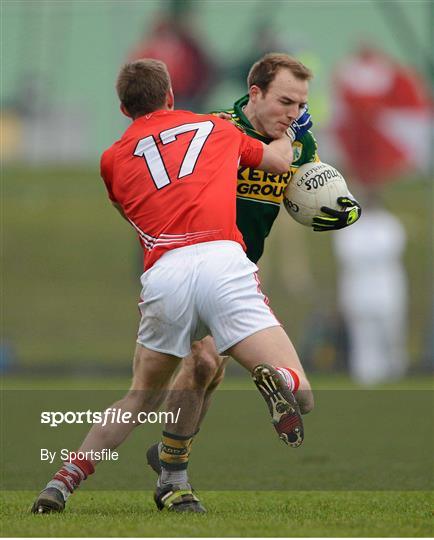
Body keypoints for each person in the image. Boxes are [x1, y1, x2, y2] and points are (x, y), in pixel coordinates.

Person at [31, 58, 315, 515]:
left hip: (166, 272)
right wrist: (292, 131)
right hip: (225, 261)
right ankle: (276, 379)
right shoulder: (214, 128)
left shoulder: (111, 159)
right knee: (301, 395)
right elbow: (281, 162)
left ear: (124, 109)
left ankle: (62, 482)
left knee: (141, 396)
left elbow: (135, 215)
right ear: (170, 96)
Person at [144, 53, 362, 510]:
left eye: (302, 105)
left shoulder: (300, 143)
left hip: (240, 271)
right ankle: (172, 479)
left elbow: (304, 192)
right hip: (190, 264)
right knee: (201, 362)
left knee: (224, 373)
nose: (295, 114)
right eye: (286, 101)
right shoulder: (213, 130)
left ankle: (170, 449)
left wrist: (332, 208)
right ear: (255, 93)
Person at [333, 193, 408, 384]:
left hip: (386, 288)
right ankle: (366, 376)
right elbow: (349, 254)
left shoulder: (389, 224)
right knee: (362, 336)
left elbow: (390, 250)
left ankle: (395, 372)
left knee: (391, 334)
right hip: (359, 288)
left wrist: (368, 255)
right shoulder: (348, 227)